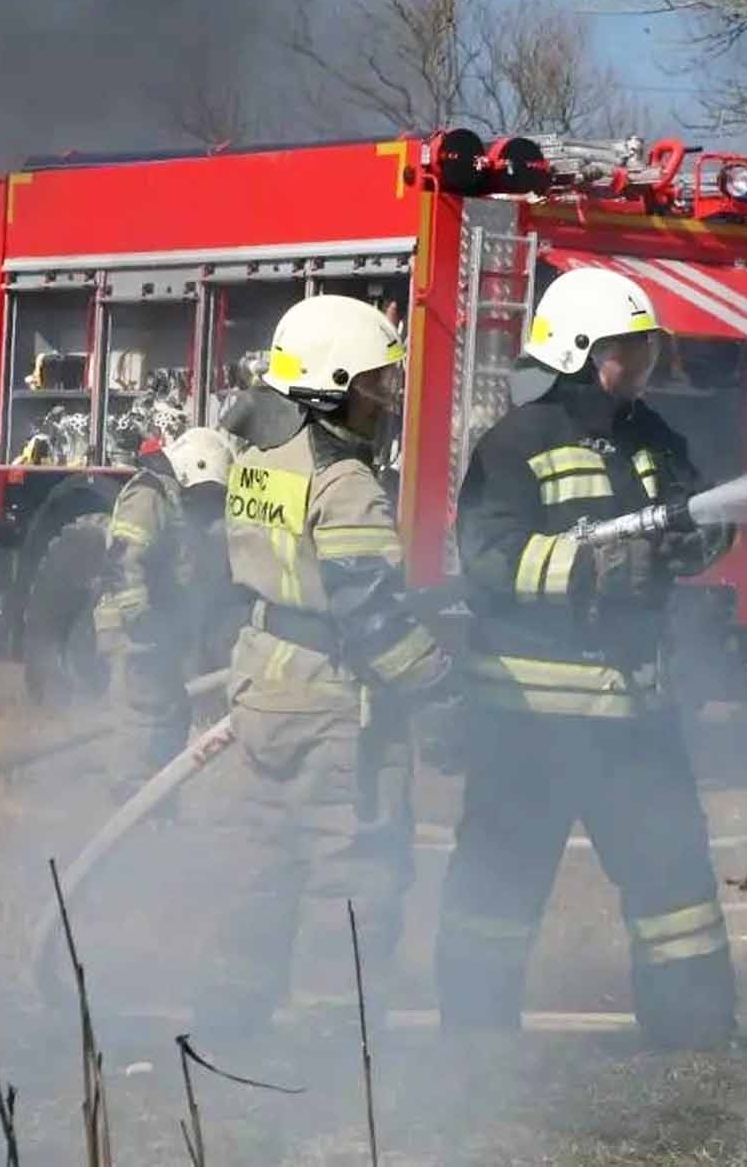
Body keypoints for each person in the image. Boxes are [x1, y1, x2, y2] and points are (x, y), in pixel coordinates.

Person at [436, 266, 739, 1050]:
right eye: (625, 352)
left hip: (635, 716)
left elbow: (707, 510)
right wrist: (587, 570)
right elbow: (487, 557)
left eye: (645, 351)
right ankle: (473, 1044)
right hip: (528, 724)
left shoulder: (650, 435)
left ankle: (694, 1039)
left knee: (675, 884)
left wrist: (699, 535)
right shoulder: (516, 442)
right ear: (577, 352)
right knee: (498, 889)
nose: (640, 368)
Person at [193, 293, 452, 1037]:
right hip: (333, 700)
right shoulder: (346, 482)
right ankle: (334, 1049)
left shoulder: (259, 460)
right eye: (375, 383)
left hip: (262, 681)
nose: (387, 398)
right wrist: (439, 689)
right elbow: (370, 618)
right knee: (353, 875)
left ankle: (226, 1027)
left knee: (260, 864)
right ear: (332, 383)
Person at [91, 425, 233, 798]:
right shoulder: (148, 496)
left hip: (154, 629)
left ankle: (157, 803)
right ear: (192, 470)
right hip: (132, 629)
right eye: (208, 493)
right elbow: (123, 562)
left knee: (169, 714)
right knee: (144, 716)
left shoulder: (174, 498)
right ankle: (131, 800)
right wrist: (145, 625)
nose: (207, 504)